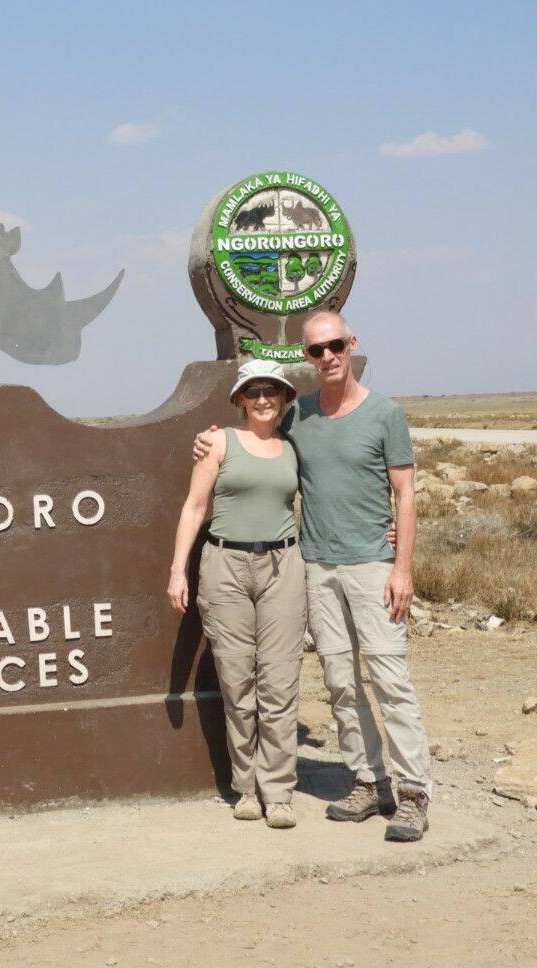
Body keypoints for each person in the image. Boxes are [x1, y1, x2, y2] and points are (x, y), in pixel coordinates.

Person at [193, 311, 431, 842]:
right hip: (317, 567)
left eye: (335, 346)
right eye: (317, 350)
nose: (327, 356)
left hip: (373, 567)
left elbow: (406, 493)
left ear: (352, 344)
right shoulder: (298, 415)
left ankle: (414, 793)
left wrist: (403, 567)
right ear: (306, 356)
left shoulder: (385, 415)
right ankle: (368, 781)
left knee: (389, 680)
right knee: (341, 684)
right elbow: (253, 440)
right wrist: (208, 439)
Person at [169, 359, 305, 830]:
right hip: (225, 565)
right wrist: (177, 571)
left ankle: (280, 791)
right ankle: (246, 788)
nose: (264, 399)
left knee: (280, 680)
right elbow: (194, 506)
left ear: (285, 398)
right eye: (254, 391)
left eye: (272, 390)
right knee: (236, 678)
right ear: (240, 399)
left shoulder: (294, 447)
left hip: (283, 565)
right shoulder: (218, 443)